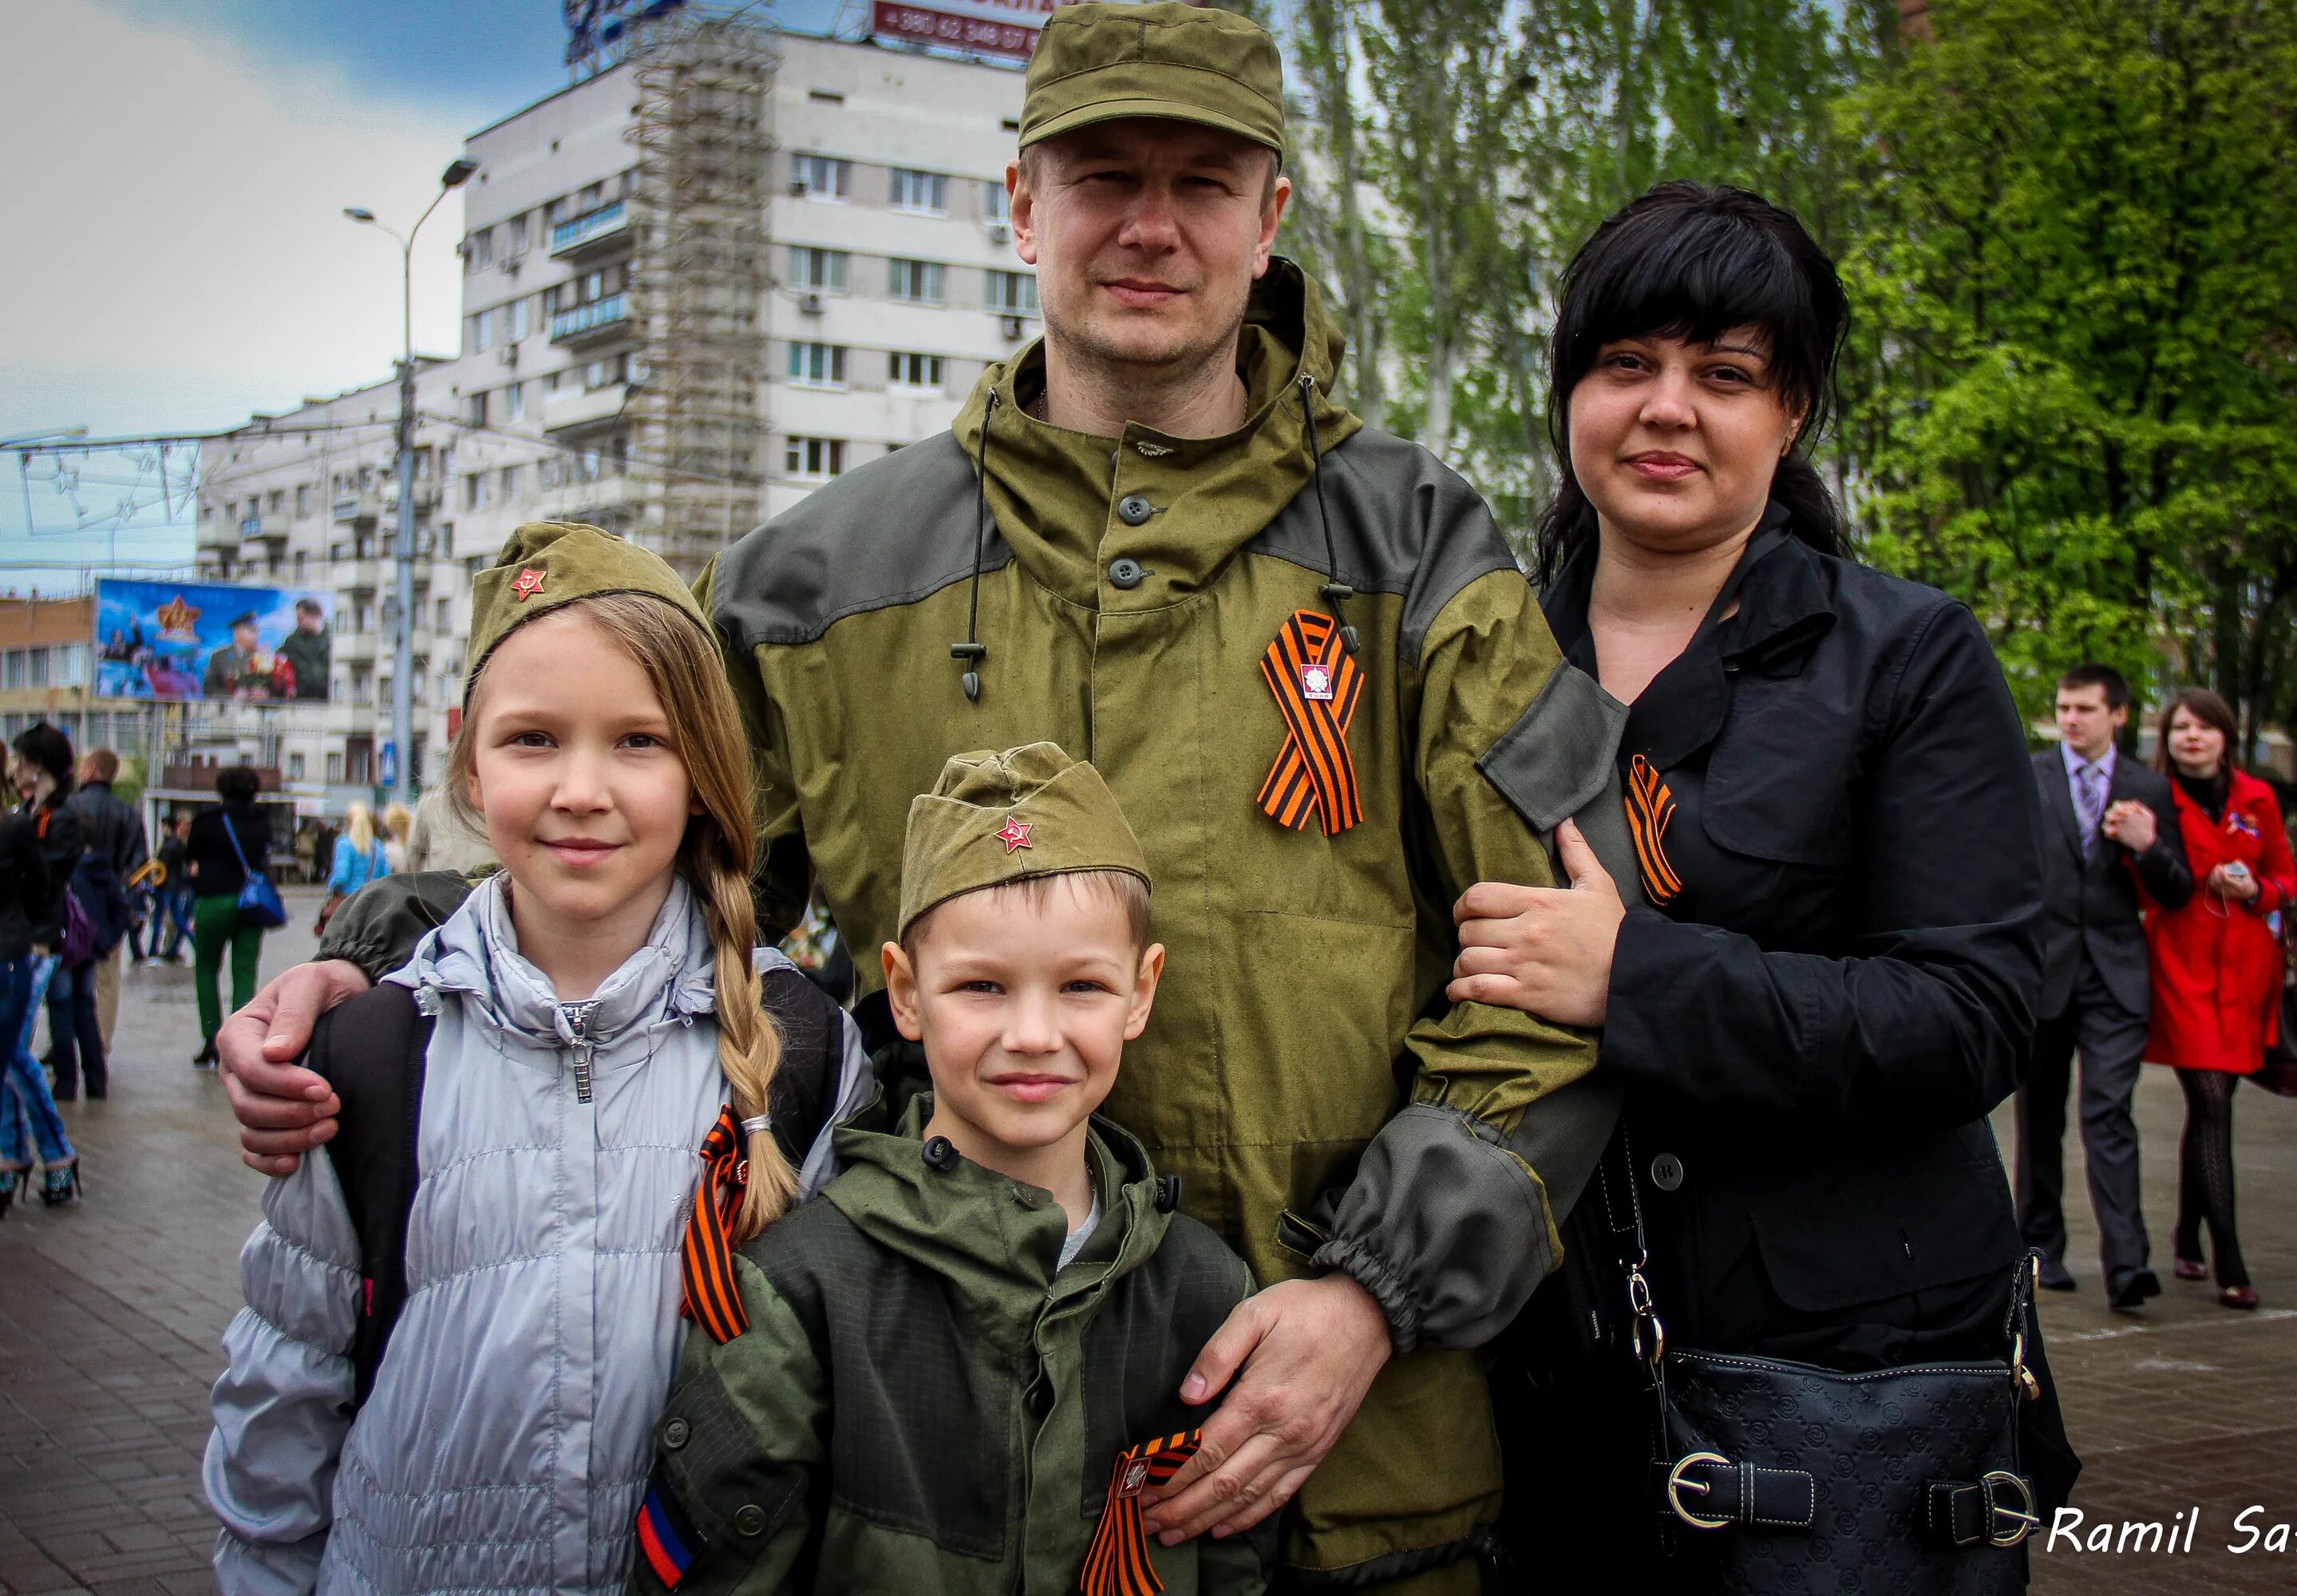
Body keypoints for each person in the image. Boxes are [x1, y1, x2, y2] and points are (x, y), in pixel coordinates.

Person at [215, 6, 1612, 1586]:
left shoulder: (1418, 552)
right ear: (1022, 202)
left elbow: (1556, 972)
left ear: (1271, 215)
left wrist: (1375, 1296)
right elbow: (618, 840)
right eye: (1104, 175)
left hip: (1348, 1474)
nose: (1152, 225)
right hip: (937, 1481)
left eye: (1204, 180)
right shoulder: (818, 582)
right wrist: (379, 949)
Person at [1443, 183, 2070, 1588]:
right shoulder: (1480, 670)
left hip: (1836, 1390)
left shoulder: (1903, 657)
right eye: (1627, 365)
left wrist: (1636, 980)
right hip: (1541, 1380)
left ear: (1790, 417)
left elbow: (1976, 1014)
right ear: (1571, 396)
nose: (1668, 407)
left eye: (1724, 375)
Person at [203, 526, 870, 1595]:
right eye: (533, 741)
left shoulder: (801, 1051)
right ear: (469, 756)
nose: (581, 789)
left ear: (706, 766)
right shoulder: (375, 1053)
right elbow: (286, 1389)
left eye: (639, 742)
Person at [637, 743, 1267, 1594]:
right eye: (982, 986)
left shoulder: (1203, 1292)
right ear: (905, 991)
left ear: (1141, 992)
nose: (1034, 1033)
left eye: (1081, 985)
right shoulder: (800, 1296)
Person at [2014, 664, 2192, 1310]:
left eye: (2085, 709)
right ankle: (2038, 1250)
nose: (2070, 719)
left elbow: (2178, 890)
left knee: (2108, 1114)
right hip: (2043, 973)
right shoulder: (2029, 777)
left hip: (2116, 976)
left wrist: (2147, 847)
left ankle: (2127, 1264)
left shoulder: (2149, 787)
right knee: (2039, 1118)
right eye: (2063, 708)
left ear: (2117, 714)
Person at [2139, 687, 2297, 1311]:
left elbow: (2286, 878)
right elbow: (2144, 883)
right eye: (2180, 728)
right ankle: (2229, 1255)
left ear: (2226, 736)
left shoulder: (2259, 797)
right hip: (2181, 964)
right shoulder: (2154, 799)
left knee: (2213, 1103)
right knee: (2209, 1096)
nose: (2192, 738)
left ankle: (2186, 1230)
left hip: (2246, 972)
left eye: (2204, 728)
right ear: (2166, 739)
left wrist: (2256, 886)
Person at [14, 725, 105, 1104]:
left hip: (49, 934)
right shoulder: (37, 810)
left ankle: (68, 1087)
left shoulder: (59, 816)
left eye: (22, 761)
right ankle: (79, 1083)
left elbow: (45, 878)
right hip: (42, 931)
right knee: (69, 1006)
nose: (15, 769)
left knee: (61, 1009)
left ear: (38, 766)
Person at [0, 759, 70, 1216]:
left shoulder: (16, 827)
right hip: (13, 950)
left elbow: (45, 886)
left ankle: (49, 1154)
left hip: (9, 956)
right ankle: (17, 1156)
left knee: (10, 1058)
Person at [187, 768, 275, 1069]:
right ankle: (240, 1040)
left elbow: (192, 857)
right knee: (245, 972)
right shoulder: (262, 822)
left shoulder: (208, 821)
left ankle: (211, 1038)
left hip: (213, 901)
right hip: (251, 904)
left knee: (206, 969)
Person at [65, 747, 147, 1060]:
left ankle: (66, 1042)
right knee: (108, 979)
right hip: (110, 906)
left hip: (72, 903)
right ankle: (101, 1043)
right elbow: (139, 865)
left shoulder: (70, 807)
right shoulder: (128, 813)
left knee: (66, 976)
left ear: (92, 770)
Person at [314, 801, 388, 938]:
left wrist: (330, 887)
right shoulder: (377, 846)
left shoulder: (344, 843)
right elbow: (386, 875)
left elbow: (342, 875)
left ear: (349, 821)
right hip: (372, 903)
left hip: (348, 904)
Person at [148, 815, 195, 964]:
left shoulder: (169, 845)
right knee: (178, 919)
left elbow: (162, 867)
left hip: (165, 887)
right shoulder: (179, 844)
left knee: (159, 919)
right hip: (176, 886)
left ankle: (152, 950)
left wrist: (155, 883)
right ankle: (193, 945)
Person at [203, 613, 275, 700]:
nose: (256, 636)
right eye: (252, 631)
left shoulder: (264, 658)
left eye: (257, 631)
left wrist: (267, 694)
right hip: (229, 711)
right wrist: (231, 697)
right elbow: (209, 691)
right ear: (237, 633)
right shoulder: (219, 657)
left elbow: (279, 690)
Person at [277, 598, 330, 701]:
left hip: (326, 698)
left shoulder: (333, 638)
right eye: (297, 619)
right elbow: (279, 658)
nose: (298, 623)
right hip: (302, 698)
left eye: (301, 619)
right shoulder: (292, 642)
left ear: (316, 615)